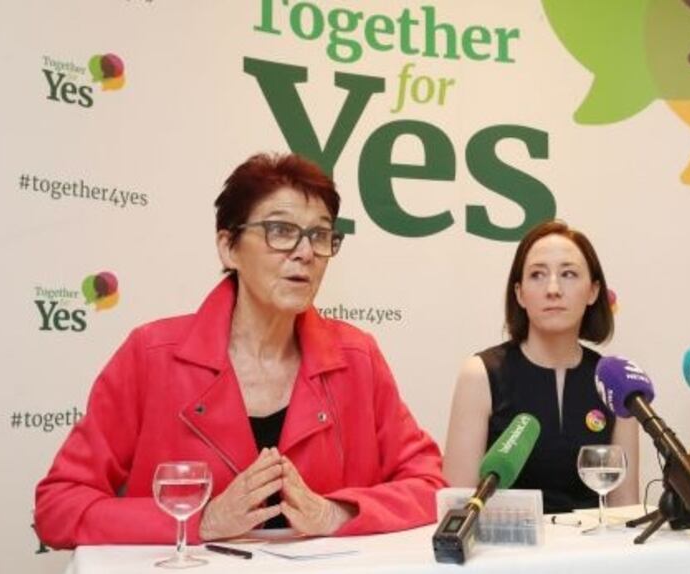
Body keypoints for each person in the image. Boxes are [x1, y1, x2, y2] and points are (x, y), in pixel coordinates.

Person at [35, 153, 445, 548]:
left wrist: (337, 513)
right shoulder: (151, 355)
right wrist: (203, 521)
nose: (305, 252)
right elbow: (58, 507)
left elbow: (430, 485)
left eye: (320, 235)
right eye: (280, 231)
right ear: (229, 247)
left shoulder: (357, 357)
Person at [442, 221, 639, 513]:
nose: (553, 289)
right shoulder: (481, 374)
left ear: (593, 291)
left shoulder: (615, 382)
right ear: (520, 293)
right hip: (504, 553)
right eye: (537, 275)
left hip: (593, 555)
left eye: (569, 274)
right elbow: (457, 508)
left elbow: (625, 509)